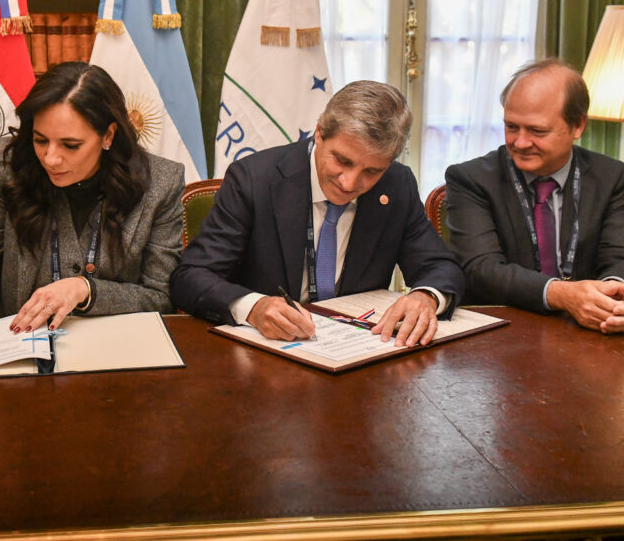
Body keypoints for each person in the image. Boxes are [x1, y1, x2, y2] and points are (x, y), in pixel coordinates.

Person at [170, 80, 465, 347]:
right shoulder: (254, 180)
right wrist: (254, 308)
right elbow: (191, 277)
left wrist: (425, 296)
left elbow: (439, 266)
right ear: (320, 133)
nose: (350, 183)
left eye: (371, 171)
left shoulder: (396, 185)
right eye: (342, 160)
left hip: (358, 350)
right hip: (267, 353)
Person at [0, 62, 185, 345]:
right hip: (17, 346)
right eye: (40, 140)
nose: (50, 158)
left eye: (70, 145)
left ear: (108, 136)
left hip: (115, 348)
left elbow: (161, 297)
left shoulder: (161, 183)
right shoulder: (8, 164)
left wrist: (86, 290)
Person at [445, 58, 624, 334]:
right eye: (511, 127)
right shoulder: (471, 179)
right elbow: (481, 270)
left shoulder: (609, 176)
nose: (520, 142)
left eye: (537, 131)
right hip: (500, 333)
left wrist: (617, 296)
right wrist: (562, 294)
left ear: (578, 126)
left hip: (587, 333)